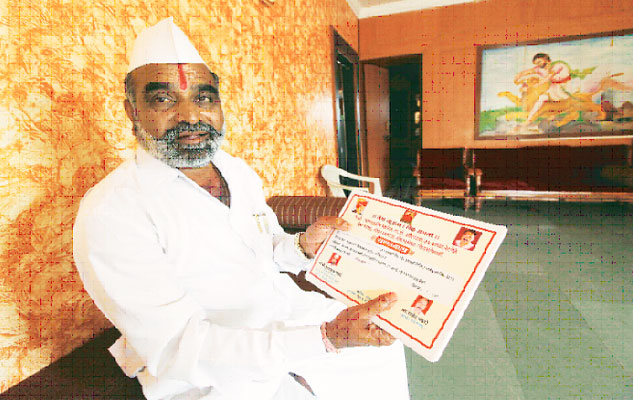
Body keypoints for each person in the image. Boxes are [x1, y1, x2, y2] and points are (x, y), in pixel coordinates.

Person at [73, 18, 409, 400]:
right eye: (163, 99)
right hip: (211, 366)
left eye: (203, 98)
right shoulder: (111, 211)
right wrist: (326, 338)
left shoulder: (235, 170)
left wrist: (302, 245)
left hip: (287, 313)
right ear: (132, 112)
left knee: (384, 347)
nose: (190, 116)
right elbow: (178, 345)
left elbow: (262, 247)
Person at [515, 53, 571, 124]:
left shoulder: (556, 66)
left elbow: (548, 78)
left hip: (562, 85)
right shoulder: (540, 69)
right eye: (536, 63)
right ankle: (529, 119)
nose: (538, 64)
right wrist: (520, 75)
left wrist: (536, 85)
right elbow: (530, 71)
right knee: (541, 98)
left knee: (546, 97)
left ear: (545, 59)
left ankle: (530, 120)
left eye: (539, 62)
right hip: (552, 87)